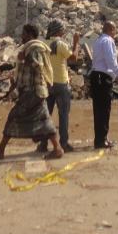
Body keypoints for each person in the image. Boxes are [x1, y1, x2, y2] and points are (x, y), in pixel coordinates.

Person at [0, 24, 63, 160]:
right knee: (44, 120)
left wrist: (24, 58)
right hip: (34, 91)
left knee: (14, 117)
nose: (22, 36)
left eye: (24, 33)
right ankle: (57, 149)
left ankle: (0, 150)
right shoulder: (30, 48)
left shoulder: (35, 48)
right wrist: (14, 85)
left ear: (30, 34)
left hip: (33, 91)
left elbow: (39, 67)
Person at [37, 20, 79, 153]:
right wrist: (76, 43)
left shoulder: (43, 43)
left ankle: (43, 144)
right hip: (61, 83)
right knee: (63, 115)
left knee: (46, 115)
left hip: (47, 83)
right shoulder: (61, 44)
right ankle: (64, 143)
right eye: (63, 30)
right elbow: (73, 59)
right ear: (59, 31)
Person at [90, 19, 118, 149]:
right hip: (102, 78)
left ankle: (100, 138)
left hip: (97, 76)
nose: (115, 33)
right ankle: (101, 140)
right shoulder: (108, 41)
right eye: (114, 30)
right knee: (104, 110)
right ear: (111, 30)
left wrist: (115, 75)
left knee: (98, 110)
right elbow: (110, 61)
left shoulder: (99, 40)